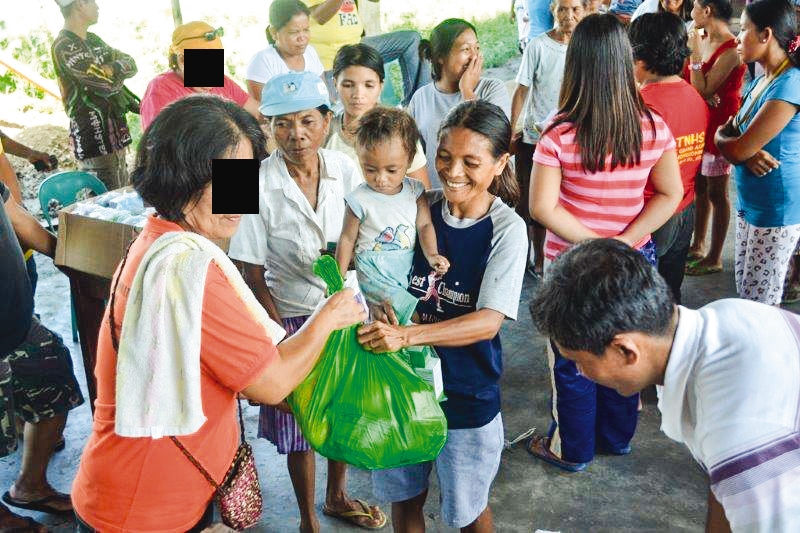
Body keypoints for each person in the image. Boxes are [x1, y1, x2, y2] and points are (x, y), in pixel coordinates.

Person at [70, 94, 366, 532]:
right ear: (179, 178)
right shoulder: (187, 270)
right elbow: (271, 384)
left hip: (149, 495)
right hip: (142, 509)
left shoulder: (157, 242)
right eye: (223, 180)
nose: (238, 199)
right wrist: (329, 315)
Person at [531, 237, 800, 531]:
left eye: (579, 362)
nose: (581, 373)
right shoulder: (729, 314)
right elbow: (721, 488)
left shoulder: (736, 433)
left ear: (625, 351)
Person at [357, 100, 527, 533]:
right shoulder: (417, 208)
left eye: (471, 162)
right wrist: (373, 298)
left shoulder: (507, 229)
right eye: (445, 157)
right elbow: (374, 259)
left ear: (500, 162)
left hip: (467, 397)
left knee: (468, 511)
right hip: (402, 390)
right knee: (405, 500)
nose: (453, 172)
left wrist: (407, 335)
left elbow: (488, 320)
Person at [228, 71, 386, 532]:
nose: (294, 135)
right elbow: (250, 272)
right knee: (299, 424)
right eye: (280, 124)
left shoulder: (349, 169)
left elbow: (370, 239)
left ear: (326, 121)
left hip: (344, 307)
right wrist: (277, 339)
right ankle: (306, 518)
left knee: (339, 409)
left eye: (306, 121)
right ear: (267, 128)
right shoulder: (250, 180)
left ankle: (337, 495)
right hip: (289, 314)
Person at [527, 13, 683, 472]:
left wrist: (595, 245)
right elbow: (670, 193)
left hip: (572, 267)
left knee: (573, 364)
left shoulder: (558, 132)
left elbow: (543, 207)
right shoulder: (653, 126)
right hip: (633, 261)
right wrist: (625, 241)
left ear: (575, 66)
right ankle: (617, 440)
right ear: (625, 62)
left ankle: (571, 450)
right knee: (623, 353)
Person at [0, 140, 84, 531]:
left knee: (54, 374)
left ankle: (30, 485)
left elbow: (15, 216)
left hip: (15, 322)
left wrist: (65, 257)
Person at [715, 0, 800, 305]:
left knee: (759, 304)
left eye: (744, 30)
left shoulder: (790, 85)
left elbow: (734, 145)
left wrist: (732, 145)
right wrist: (733, 144)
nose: (737, 38)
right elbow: (733, 136)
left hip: (775, 208)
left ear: (766, 34)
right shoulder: (761, 80)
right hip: (752, 201)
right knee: (746, 289)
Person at [335, 107, 449, 324]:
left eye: (391, 170)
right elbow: (347, 238)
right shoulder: (358, 199)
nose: (380, 179)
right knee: (405, 314)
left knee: (397, 317)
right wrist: (338, 280)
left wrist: (432, 255)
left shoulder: (415, 191)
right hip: (373, 268)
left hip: (405, 265)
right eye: (370, 169)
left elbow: (424, 225)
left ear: (409, 160)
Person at [630, 12, 709, 302]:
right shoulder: (694, 97)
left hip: (651, 216)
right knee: (671, 291)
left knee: (644, 299)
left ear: (638, 56)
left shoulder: (641, 106)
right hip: (685, 209)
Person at [511, 0, 587, 278]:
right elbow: (521, 90)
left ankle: (564, 255)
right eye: (563, 9)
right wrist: (512, 126)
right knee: (535, 203)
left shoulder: (585, 47)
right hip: (537, 137)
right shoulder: (538, 46)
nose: (569, 16)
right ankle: (540, 258)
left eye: (575, 9)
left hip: (574, 138)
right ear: (552, 10)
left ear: (584, 11)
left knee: (566, 200)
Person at [408, 19, 511, 188]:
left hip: (481, 195)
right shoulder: (421, 97)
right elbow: (415, 155)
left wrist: (467, 92)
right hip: (439, 195)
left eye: (477, 48)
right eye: (466, 49)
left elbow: (493, 140)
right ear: (441, 57)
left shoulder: (492, 89)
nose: (474, 56)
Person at [684, 0, 745, 276]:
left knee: (717, 192)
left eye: (695, 6)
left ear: (707, 10)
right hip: (700, 121)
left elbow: (702, 86)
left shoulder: (732, 49)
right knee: (699, 186)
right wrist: (703, 91)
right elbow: (693, 86)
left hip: (721, 126)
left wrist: (695, 57)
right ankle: (698, 243)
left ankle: (716, 255)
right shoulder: (701, 37)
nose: (691, 12)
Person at [51, 0, 137, 190]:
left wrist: (111, 68)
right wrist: (113, 75)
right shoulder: (64, 46)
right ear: (80, 4)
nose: (98, 6)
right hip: (94, 143)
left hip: (117, 139)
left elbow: (131, 63)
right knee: (103, 209)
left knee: (122, 202)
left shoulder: (93, 40)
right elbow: (104, 85)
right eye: (93, 1)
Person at [326, 44, 430, 188]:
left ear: (381, 86)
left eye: (368, 85)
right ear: (335, 84)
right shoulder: (325, 132)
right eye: (348, 85)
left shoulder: (400, 130)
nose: (358, 95)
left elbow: (422, 191)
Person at [303, 0, 429, 106]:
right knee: (340, 110)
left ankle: (417, 106)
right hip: (333, 58)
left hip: (358, 44)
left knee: (411, 40)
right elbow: (320, 17)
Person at [140, 21, 260, 131]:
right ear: (182, 60)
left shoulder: (222, 81)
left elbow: (258, 112)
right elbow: (159, 147)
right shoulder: (161, 89)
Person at [245, 0, 325, 101]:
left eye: (306, 30)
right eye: (294, 32)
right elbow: (261, 111)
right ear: (274, 32)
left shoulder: (310, 53)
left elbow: (323, 96)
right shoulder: (263, 61)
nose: (302, 38)